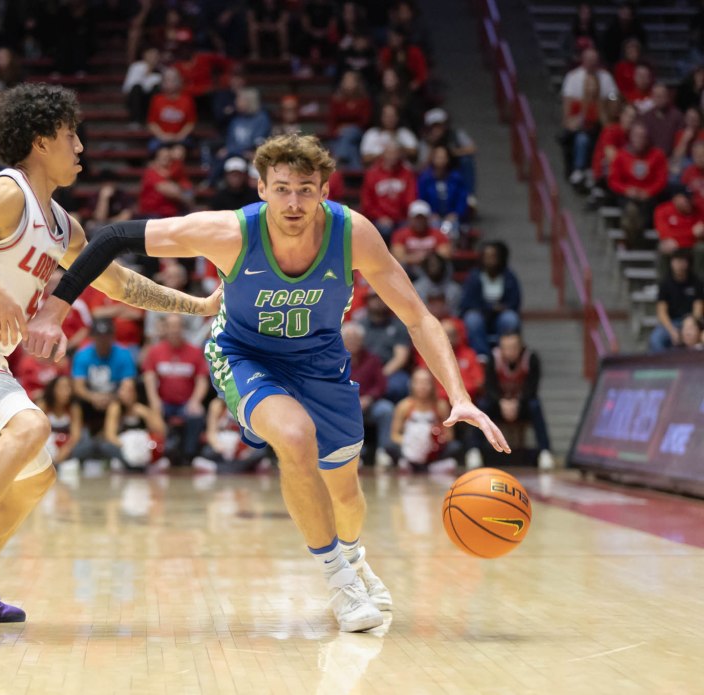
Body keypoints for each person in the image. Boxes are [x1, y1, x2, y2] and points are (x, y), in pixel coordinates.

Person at [28, 133, 509, 632]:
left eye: (305, 189)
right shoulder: (229, 233)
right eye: (282, 189)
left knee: (346, 494)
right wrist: (55, 308)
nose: (293, 203)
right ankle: (338, 579)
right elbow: (111, 237)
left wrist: (459, 396)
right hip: (245, 356)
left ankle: (352, 558)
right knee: (295, 437)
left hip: (320, 362)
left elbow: (418, 317)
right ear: (261, 189)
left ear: (325, 190)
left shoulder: (354, 235)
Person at [0, 83, 219, 624]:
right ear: (41, 141)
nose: (81, 147)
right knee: (30, 428)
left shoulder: (64, 226)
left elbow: (118, 283)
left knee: (36, 475)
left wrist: (198, 306)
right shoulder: (6, 194)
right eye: (71, 135)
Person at [143, 313, 209, 467]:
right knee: (152, 415)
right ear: (165, 328)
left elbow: (202, 380)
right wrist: (154, 400)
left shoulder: (194, 352)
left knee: (197, 414)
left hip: (186, 403)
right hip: (164, 403)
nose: (174, 330)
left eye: (177, 326)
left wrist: (195, 401)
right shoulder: (155, 351)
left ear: (183, 328)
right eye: (171, 326)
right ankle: (161, 453)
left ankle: (189, 455)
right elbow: (149, 377)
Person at [481, 332, 553, 470]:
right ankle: (473, 450)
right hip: (499, 405)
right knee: (482, 406)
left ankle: (545, 451)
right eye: (506, 348)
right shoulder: (494, 358)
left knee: (535, 405)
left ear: (520, 347)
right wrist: (501, 401)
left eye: (513, 347)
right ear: (501, 348)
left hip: (522, 405)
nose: (510, 352)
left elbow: (532, 388)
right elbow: (489, 387)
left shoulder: (530, 358)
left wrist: (517, 402)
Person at [340, 322, 394, 469]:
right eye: (349, 338)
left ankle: (384, 451)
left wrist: (369, 398)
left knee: (386, 409)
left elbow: (381, 385)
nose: (353, 342)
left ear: (362, 340)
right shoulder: (334, 360)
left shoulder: (372, 359)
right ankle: (352, 454)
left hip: (368, 404)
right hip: (343, 405)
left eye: (356, 338)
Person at [385, 368, 460, 472]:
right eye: (418, 382)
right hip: (410, 447)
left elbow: (449, 435)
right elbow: (394, 435)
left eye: (426, 382)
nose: (422, 386)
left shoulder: (441, 406)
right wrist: (410, 441)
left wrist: (434, 441)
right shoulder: (404, 406)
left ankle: (420, 465)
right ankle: (417, 464)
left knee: (454, 447)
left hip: (433, 448)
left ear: (432, 385)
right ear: (412, 384)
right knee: (389, 446)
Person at [460, 241, 522, 356]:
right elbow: (468, 302)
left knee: (510, 318)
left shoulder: (509, 276)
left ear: (500, 257)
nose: (490, 260)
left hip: (501, 316)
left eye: (493, 256)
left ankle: (504, 353)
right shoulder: (474, 276)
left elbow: (515, 301)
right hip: (480, 314)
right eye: (487, 256)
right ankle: (481, 355)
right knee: (472, 319)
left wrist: (503, 307)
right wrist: (489, 308)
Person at [650, 250, 704, 353]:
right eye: (676, 261)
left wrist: (692, 326)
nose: (679, 265)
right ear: (671, 263)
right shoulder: (665, 283)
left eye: (682, 261)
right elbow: (661, 312)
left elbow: (698, 308)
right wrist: (672, 330)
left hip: (691, 320)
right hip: (672, 322)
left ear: (687, 263)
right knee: (656, 339)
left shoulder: (696, 282)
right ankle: (663, 362)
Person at [36, 375, 82, 466]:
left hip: (66, 445)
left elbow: (75, 436)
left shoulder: (74, 407)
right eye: (62, 388)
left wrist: (65, 450)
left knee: (83, 446)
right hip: (45, 445)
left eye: (68, 387)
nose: (66, 392)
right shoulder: (43, 404)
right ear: (52, 389)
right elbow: (36, 431)